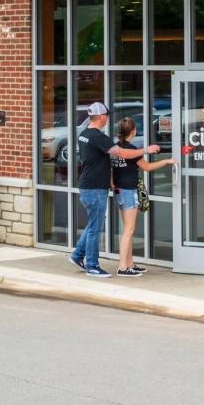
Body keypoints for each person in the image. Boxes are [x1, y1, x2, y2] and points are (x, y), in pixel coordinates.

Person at [69, 102, 159, 278]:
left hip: (88, 186)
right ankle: (92, 266)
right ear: (101, 117)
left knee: (92, 224)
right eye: (107, 116)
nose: (107, 119)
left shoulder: (84, 134)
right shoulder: (97, 136)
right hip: (95, 189)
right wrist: (146, 149)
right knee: (95, 228)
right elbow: (122, 153)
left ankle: (78, 255)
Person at [111, 116, 177, 277]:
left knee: (127, 229)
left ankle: (130, 263)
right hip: (128, 191)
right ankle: (122, 267)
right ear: (133, 131)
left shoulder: (115, 149)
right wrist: (167, 161)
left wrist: (113, 185)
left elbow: (111, 170)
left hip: (119, 190)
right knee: (129, 229)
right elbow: (147, 167)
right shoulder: (133, 150)